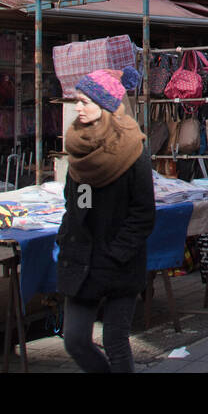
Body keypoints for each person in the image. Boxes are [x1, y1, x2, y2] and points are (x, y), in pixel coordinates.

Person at [57, 67, 153, 373]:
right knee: (75, 340)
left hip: (118, 263)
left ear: (106, 105)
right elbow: (78, 201)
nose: (78, 107)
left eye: (85, 101)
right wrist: (67, 236)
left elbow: (143, 212)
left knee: (115, 339)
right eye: (77, 101)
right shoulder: (79, 148)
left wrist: (116, 253)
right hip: (82, 260)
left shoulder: (134, 150)